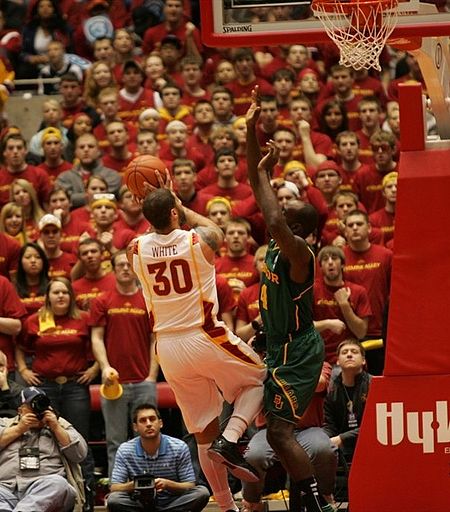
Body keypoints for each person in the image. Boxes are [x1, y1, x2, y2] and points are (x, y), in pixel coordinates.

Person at [128, 185, 266, 512]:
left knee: (204, 432)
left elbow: (154, 227)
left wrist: (155, 205)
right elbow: (216, 230)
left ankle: (226, 506)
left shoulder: (134, 249)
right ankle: (231, 439)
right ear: (175, 212)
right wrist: (177, 204)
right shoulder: (196, 242)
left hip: (168, 347)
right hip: (203, 334)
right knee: (259, 377)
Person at [246, 88, 329, 512]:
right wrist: (249, 132)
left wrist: (267, 177)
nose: (277, 209)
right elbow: (261, 198)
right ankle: (262, 499)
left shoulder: (300, 253)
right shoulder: (279, 244)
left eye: (287, 209)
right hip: (276, 345)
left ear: (297, 225)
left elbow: (272, 214)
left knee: (279, 434)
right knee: (264, 424)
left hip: (297, 349)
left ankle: (318, 503)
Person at [90, 250, 158, 476]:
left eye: (129, 264)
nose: (126, 268)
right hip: (113, 382)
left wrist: (151, 375)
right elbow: (97, 337)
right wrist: (105, 366)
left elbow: (154, 339)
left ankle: (150, 485)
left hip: (143, 381)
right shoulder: (102, 300)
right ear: (113, 269)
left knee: (149, 437)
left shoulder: (148, 299)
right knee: (116, 441)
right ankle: (118, 488)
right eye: (120, 265)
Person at [107, 403, 210, 512]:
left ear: (160, 423)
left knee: (201, 493)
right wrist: (135, 485)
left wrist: (167, 484)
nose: (148, 424)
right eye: (143, 420)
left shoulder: (179, 447)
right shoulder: (125, 450)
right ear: (135, 427)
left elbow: (189, 484)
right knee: (114, 500)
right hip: (139, 503)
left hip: (172, 502)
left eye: (152, 419)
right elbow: (115, 487)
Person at [0, 386, 87, 512]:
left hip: (45, 490)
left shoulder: (59, 424)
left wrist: (56, 427)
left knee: (59, 484)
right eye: (31, 407)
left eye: (40, 405)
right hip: (6, 489)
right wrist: (19, 429)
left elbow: (80, 455)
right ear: (20, 410)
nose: (37, 412)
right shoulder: (4, 424)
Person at [313, 246, 372, 364]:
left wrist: (345, 305)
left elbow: (361, 333)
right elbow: (301, 328)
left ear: (342, 264)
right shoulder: (312, 290)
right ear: (320, 267)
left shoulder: (358, 291)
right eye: (325, 259)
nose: (330, 262)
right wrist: (327, 323)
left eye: (334, 258)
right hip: (317, 357)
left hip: (347, 358)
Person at [323, 340, 372, 462]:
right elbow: (329, 425)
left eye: (354, 352)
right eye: (344, 352)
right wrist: (322, 440)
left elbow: (375, 426)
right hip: (338, 448)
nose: (349, 354)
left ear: (363, 360)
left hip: (369, 443)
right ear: (338, 361)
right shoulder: (330, 388)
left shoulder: (374, 386)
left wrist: (342, 438)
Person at [0, 350, 23, 417]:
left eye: (0, 365)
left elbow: (13, 416)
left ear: (6, 369)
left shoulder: (18, 391)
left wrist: (5, 388)